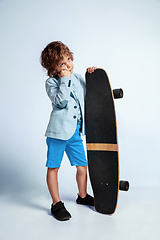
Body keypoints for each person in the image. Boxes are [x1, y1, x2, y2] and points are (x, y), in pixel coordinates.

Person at [40, 41, 96, 221]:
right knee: (53, 167)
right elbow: (60, 102)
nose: (68, 65)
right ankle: (56, 203)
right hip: (57, 134)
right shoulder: (51, 82)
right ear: (53, 68)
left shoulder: (78, 78)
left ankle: (82, 195)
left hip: (75, 133)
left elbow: (90, 95)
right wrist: (64, 79)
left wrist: (93, 76)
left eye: (69, 59)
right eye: (62, 63)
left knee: (82, 166)